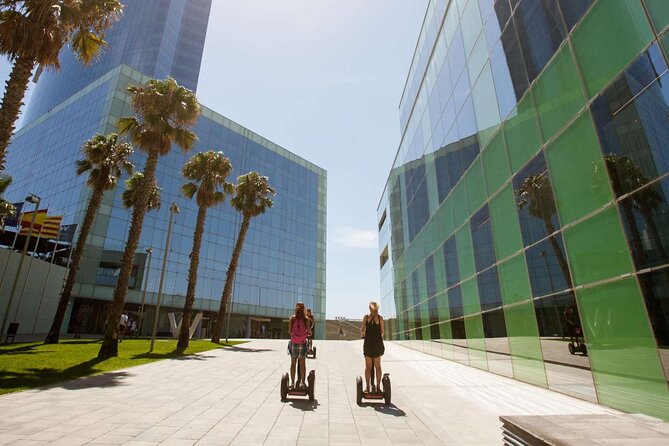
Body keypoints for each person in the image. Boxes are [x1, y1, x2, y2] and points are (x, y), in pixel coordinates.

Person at [361, 301, 385, 393]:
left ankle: (367, 387)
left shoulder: (366, 317)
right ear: (377, 309)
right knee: (378, 366)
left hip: (368, 344)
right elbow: (382, 332)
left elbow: (362, 330)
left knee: (368, 367)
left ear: (369, 309)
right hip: (377, 344)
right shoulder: (380, 318)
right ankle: (378, 388)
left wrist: (366, 334)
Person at [288, 302, 312, 389]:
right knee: (302, 364)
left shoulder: (292, 318)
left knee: (293, 363)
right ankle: (302, 383)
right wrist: (307, 333)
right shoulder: (306, 319)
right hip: (302, 343)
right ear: (304, 309)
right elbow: (309, 331)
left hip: (294, 343)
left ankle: (292, 383)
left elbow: (289, 331)